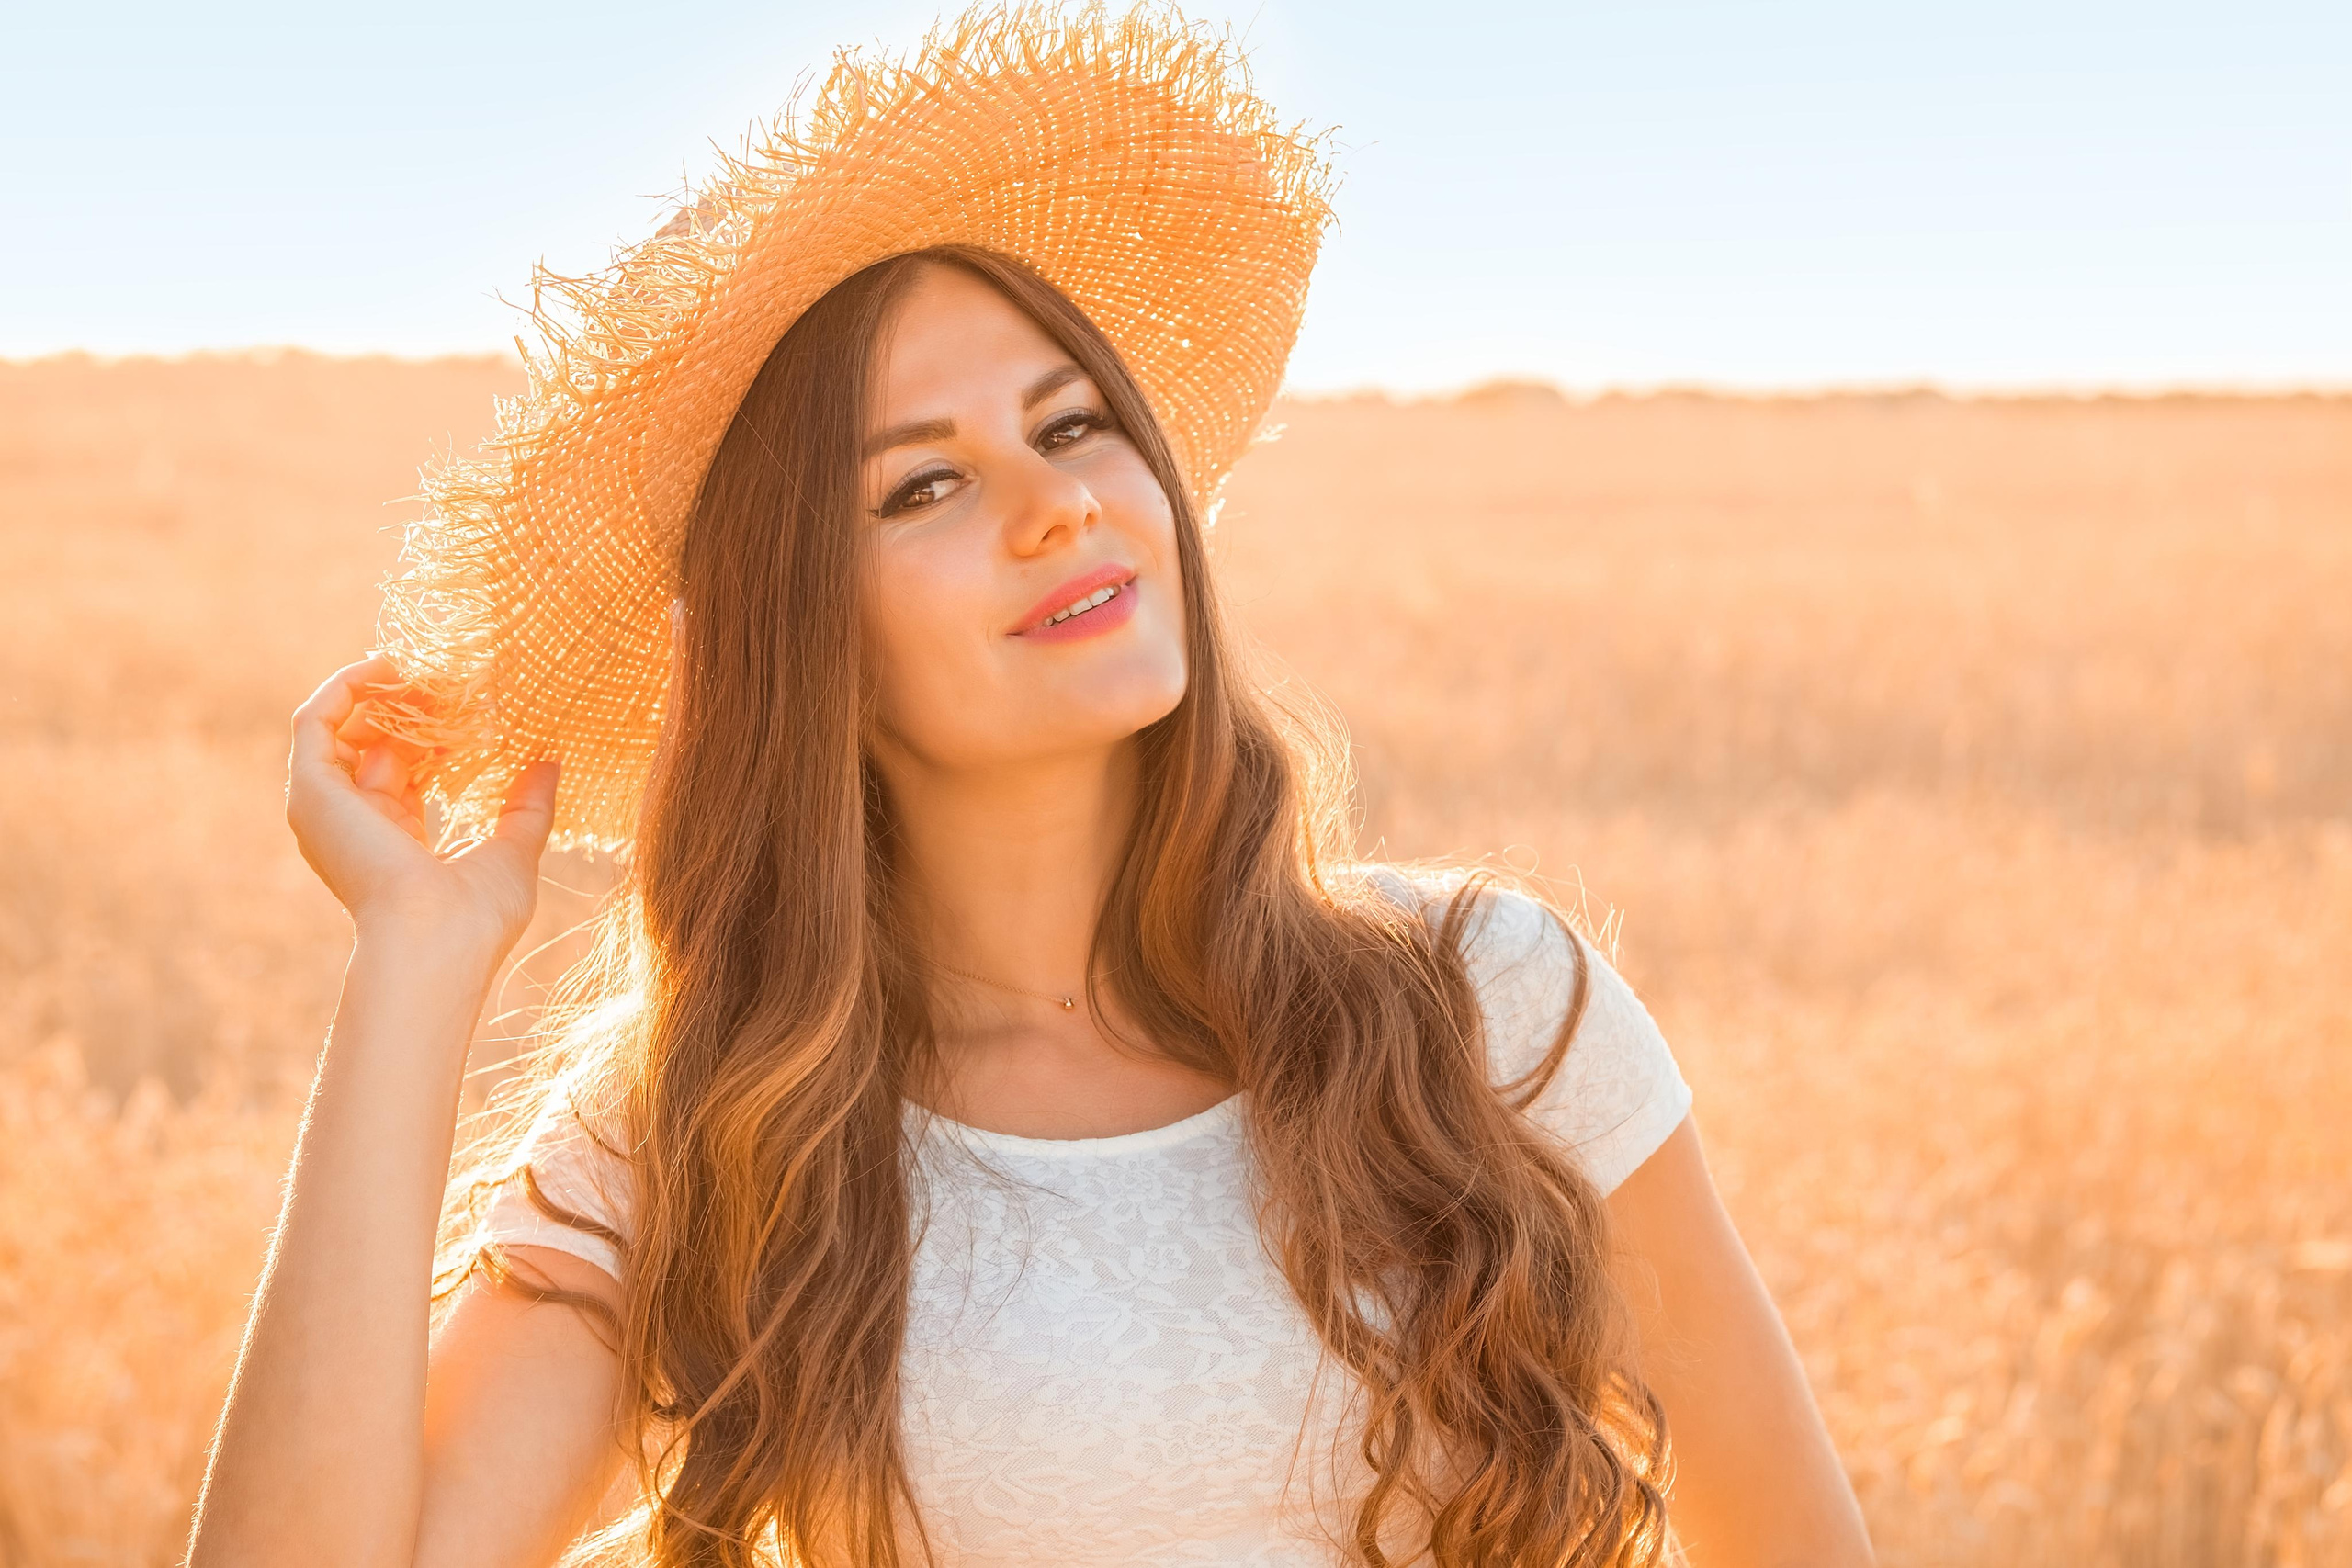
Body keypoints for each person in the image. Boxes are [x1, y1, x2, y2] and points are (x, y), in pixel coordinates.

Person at [188, 8, 1873, 1567]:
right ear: (803, 632)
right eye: (924, 486)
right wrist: (413, 953)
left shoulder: (1486, 1006)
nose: (1056, 502)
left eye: (1072, 428)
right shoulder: (711, 1129)